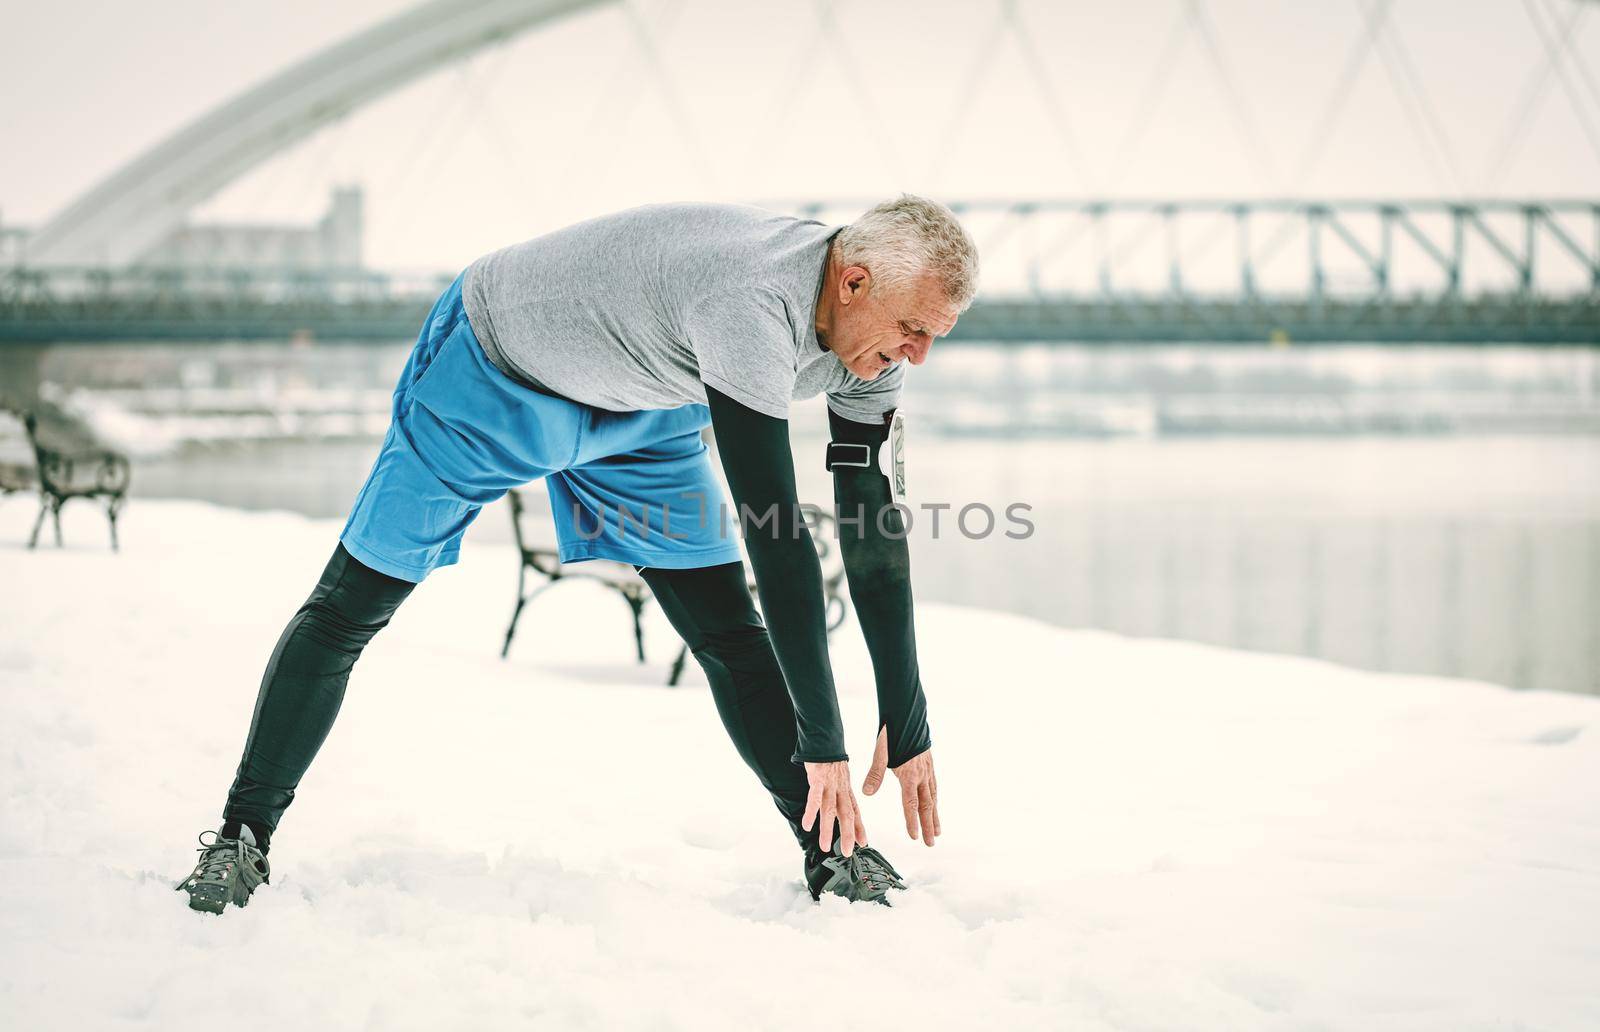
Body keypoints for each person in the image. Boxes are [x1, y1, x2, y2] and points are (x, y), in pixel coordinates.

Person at [175, 195, 978, 913]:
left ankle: (832, 855)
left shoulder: (873, 349)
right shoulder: (752, 303)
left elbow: (870, 527)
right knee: (351, 607)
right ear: (853, 282)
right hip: (497, 369)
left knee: (730, 632)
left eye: (934, 338)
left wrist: (907, 719)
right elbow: (777, 534)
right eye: (913, 331)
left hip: (645, 404)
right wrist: (824, 739)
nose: (917, 357)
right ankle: (241, 838)